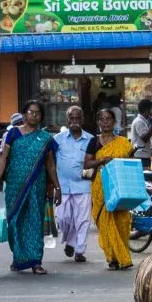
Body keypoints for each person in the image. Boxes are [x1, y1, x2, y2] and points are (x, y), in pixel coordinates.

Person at [0, 100, 61, 275]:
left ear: (41, 116)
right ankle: (18, 258)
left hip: (37, 187)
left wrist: (57, 187)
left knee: (35, 223)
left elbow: (50, 166)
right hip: (14, 186)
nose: (34, 115)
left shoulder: (45, 139)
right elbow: (4, 159)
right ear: (23, 114)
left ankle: (36, 261)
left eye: (37, 112)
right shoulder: (13, 134)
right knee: (14, 222)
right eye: (30, 112)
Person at [85, 109, 136, 271]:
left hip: (120, 185)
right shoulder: (94, 142)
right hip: (100, 186)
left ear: (114, 122)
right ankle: (112, 257)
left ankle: (122, 256)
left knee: (121, 220)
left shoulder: (124, 143)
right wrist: (102, 160)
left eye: (109, 119)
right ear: (98, 122)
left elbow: (131, 162)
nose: (105, 122)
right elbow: (86, 164)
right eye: (102, 119)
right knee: (104, 221)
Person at [53, 106, 94, 263]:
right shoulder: (58, 139)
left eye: (77, 118)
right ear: (67, 120)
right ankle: (70, 241)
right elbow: (51, 161)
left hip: (83, 185)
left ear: (82, 120)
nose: (74, 121)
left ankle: (79, 250)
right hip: (63, 186)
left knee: (82, 220)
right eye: (71, 118)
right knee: (64, 219)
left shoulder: (91, 139)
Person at [130, 98, 152, 164]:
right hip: (141, 156)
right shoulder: (139, 122)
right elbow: (145, 138)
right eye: (151, 109)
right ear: (146, 110)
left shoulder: (143, 121)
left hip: (143, 155)